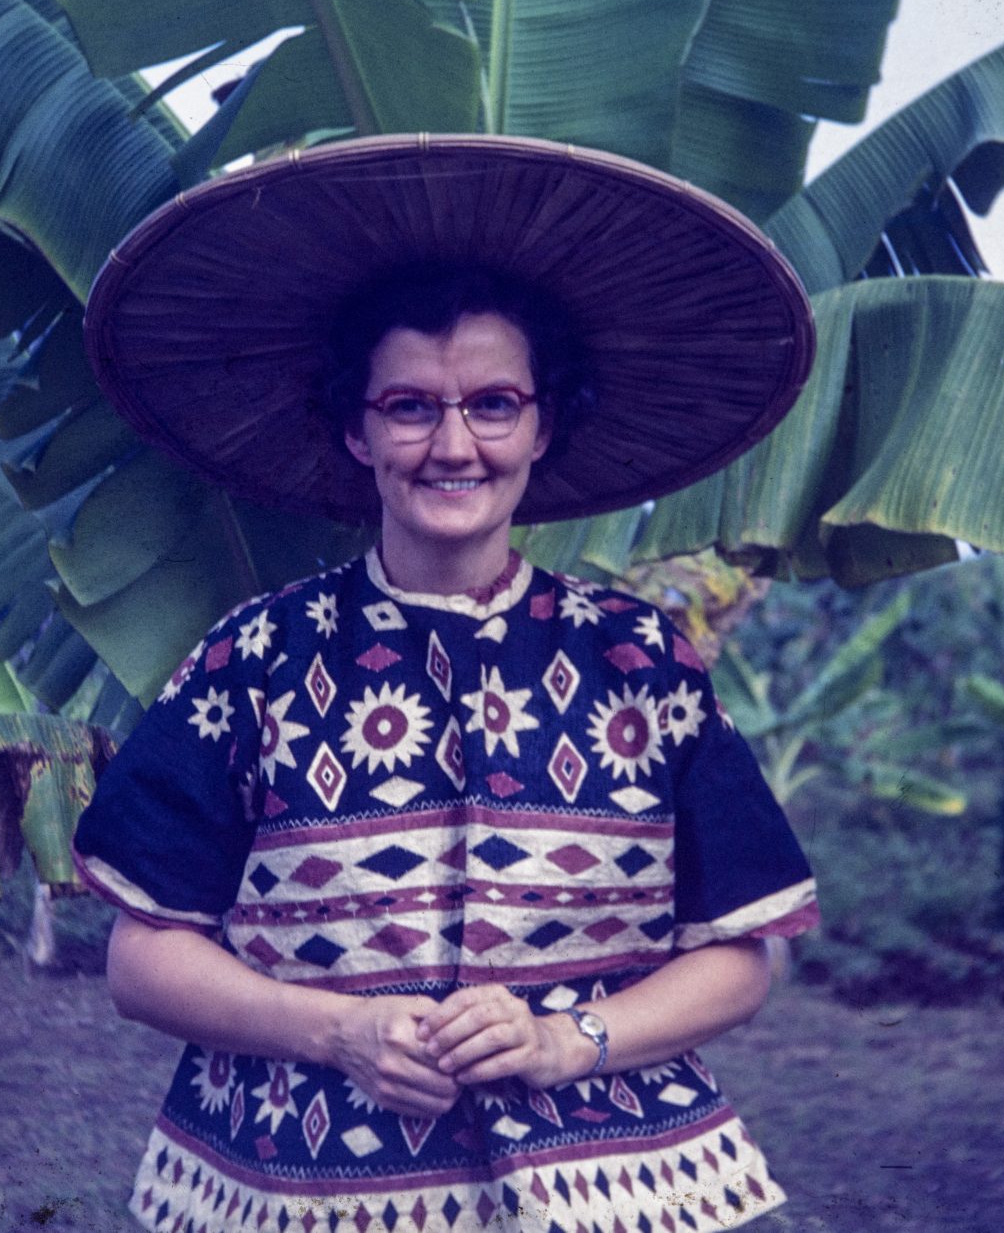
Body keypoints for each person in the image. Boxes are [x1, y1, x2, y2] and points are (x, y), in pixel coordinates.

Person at [73, 135, 820, 1232]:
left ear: (541, 425)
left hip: (606, 1191)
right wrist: (335, 1032)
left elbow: (737, 959)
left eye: (493, 403)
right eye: (410, 406)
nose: (452, 443)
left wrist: (569, 1041)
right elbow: (141, 960)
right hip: (299, 1190)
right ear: (355, 428)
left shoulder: (641, 663)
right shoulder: (254, 661)